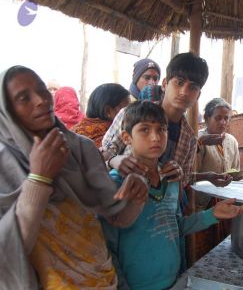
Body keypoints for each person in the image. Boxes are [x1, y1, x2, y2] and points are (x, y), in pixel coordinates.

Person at [0, 66, 149, 289]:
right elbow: (8, 252)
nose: (41, 100)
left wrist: (137, 197)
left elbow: (117, 217)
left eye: (42, 90)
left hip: (102, 278)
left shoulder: (81, 148)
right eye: (23, 98)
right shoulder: (4, 166)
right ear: (7, 112)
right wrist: (39, 179)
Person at [101, 101, 243, 290]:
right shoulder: (117, 184)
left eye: (161, 129)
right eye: (144, 130)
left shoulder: (170, 179)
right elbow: (107, 248)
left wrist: (212, 214)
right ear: (127, 137)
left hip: (172, 281)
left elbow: (174, 227)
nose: (155, 137)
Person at [102, 52, 220, 189]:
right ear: (164, 84)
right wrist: (113, 161)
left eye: (193, 87)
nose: (184, 92)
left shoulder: (189, 139)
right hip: (120, 200)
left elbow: (182, 185)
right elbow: (98, 160)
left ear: (198, 95)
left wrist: (179, 174)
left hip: (159, 208)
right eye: (179, 82)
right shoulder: (130, 115)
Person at [192, 97, 241, 259]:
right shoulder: (199, 142)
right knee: (203, 250)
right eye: (217, 118)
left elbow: (235, 170)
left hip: (225, 202)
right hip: (202, 204)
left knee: (223, 250)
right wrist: (209, 179)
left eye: (226, 118)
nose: (222, 122)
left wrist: (235, 177)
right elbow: (190, 177)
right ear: (206, 118)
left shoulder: (231, 141)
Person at [72, 83, 130, 147]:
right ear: (107, 111)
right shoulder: (109, 138)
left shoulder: (75, 130)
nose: (131, 113)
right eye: (126, 109)